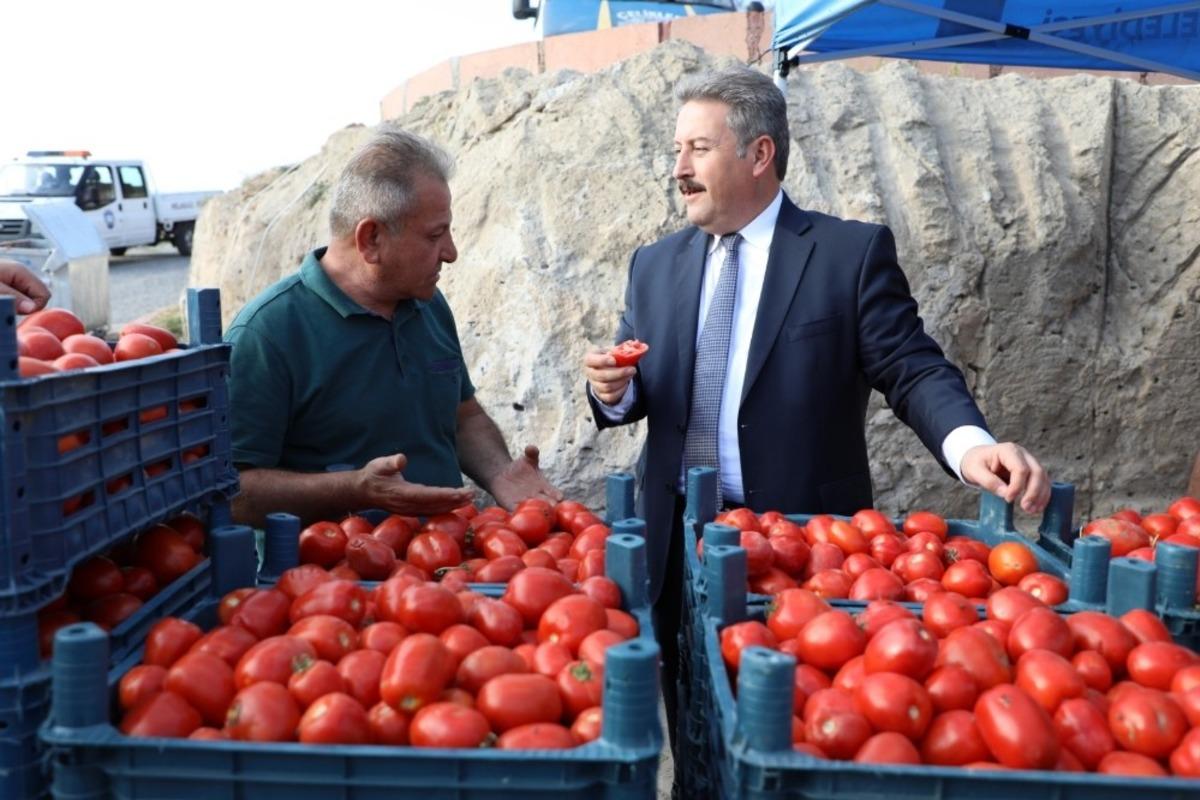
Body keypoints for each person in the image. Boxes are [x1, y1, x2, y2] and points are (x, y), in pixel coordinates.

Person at [583, 66, 1050, 760]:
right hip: (675, 542)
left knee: (798, 734)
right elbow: (641, 386)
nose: (677, 168)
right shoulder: (654, 265)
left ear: (760, 153)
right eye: (676, 150)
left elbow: (910, 365)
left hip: (803, 552)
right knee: (693, 730)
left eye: (698, 149)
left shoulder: (847, 254)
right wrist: (614, 391)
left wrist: (969, 444)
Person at [227, 127, 561, 527]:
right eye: (435, 235)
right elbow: (233, 493)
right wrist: (354, 489)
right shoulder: (266, 335)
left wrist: (500, 472)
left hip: (444, 565)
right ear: (371, 238)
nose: (451, 253)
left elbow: (463, 417)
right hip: (332, 582)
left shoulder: (430, 306)